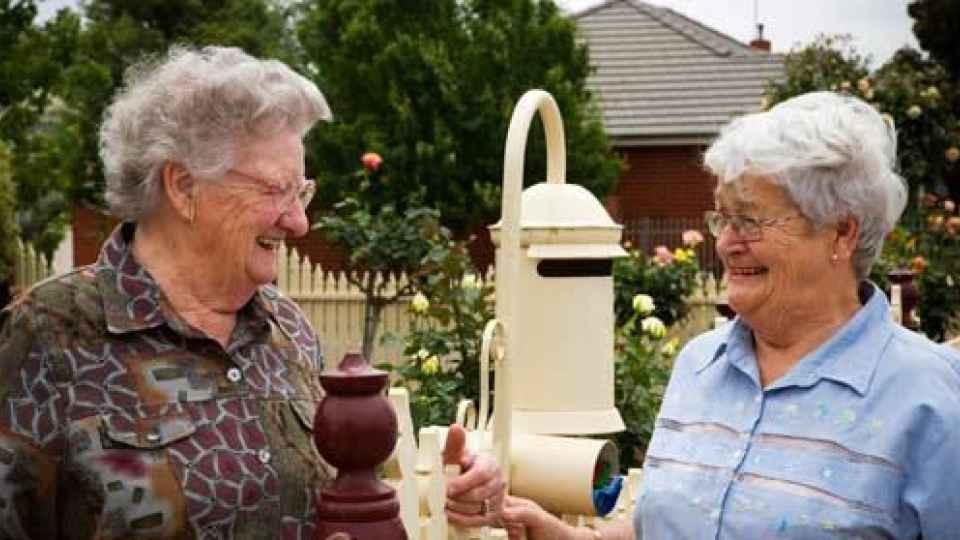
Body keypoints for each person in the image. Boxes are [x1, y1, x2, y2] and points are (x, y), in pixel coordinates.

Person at [0, 45, 503, 539]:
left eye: (302, 192)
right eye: (275, 190)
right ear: (184, 187)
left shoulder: (288, 330)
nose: (300, 222)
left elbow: (340, 495)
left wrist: (446, 484)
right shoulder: (51, 333)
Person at [502, 91, 960, 539]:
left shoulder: (928, 397)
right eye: (722, 219)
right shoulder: (701, 364)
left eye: (750, 221)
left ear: (841, 233)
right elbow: (667, 524)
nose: (725, 243)